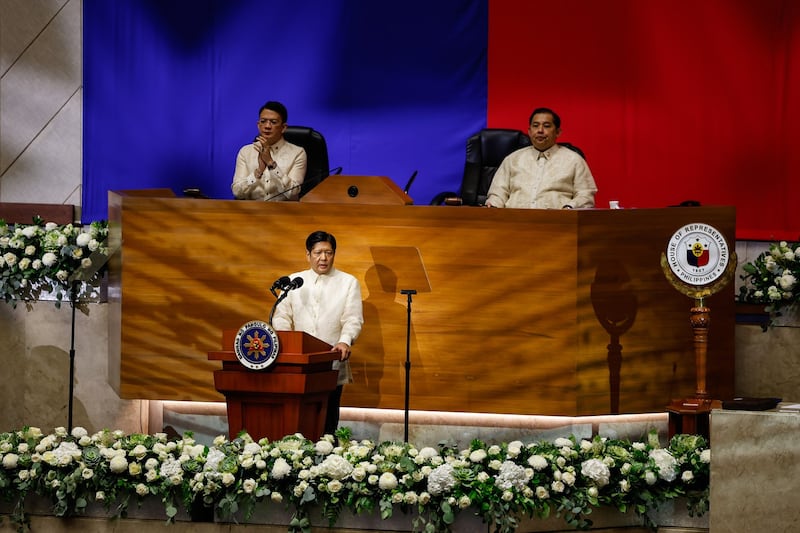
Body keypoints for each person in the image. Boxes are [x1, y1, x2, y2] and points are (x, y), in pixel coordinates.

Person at [272, 230, 364, 435]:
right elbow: (281, 317)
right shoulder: (293, 281)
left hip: (330, 360)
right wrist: (286, 342)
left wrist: (345, 341)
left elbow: (352, 318)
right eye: (318, 252)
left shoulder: (348, 282)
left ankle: (328, 459)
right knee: (295, 418)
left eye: (329, 252)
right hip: (297, 362)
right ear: (308, 255)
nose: (324, 258)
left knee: (327, 420)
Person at [485, 107, 597, 209]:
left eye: (547, 126)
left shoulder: (574, 160)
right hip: (514, 223)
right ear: (529, 131)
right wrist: (493, 205)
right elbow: (497, 193)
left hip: (558, 224)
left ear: (558, 132)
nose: (540, 130)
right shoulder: (513, 159)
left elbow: (585, 196)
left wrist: (569, 208)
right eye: (535, 125)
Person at [231, 101, 307, 201]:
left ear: (283, 127)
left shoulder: (298, 153)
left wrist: (271, 164)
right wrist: (258, 172)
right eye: (263, 121)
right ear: (258, 125)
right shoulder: (246, 152)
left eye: (273, 122)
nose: (267, 126)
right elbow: (237, 192)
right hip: (251, 211)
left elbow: (293, 192)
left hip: (284, 212)